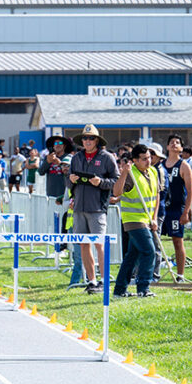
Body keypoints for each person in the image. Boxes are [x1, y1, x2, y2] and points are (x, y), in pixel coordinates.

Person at [68, 125, 119, 294]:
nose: (87, 141)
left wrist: (101, 183)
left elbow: (117, 182)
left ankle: (104, 281)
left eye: (91, 138)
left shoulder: (107, 158)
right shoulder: (76, 158)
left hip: (97, 207)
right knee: (83, 244)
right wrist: (72, 180)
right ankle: (91, 281)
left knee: (99, 244)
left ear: (97, 140)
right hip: (79, 207)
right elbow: (68, 182)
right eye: (85, 138)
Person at [112, 144, 159, 298]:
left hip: (147, 219)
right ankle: (143, 287)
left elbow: (156, 195)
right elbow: (116, 192)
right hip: (133, 220)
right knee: (149, 250)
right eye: (144, 159)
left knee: (132, 255)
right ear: (135, 161)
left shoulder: (152, 171)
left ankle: (120, 289)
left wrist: (154, 218)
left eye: (149, 158)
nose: (149, 161)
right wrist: (124, 173)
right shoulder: (131, 174)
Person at [161, 135, 192, 282]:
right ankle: (154, 273)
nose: (174, 144)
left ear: (181, 148)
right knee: (155, 241)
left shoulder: (183, 165)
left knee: (177, 241)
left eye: (178, 142)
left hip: (176, 209)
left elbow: (190, 191)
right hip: (161, 208)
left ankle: (180, 275)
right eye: (171, 142)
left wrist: (186, 211)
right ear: (167, 147)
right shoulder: (160, 165)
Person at [39, 135, 73, 204]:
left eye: (60, 143)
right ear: (53, 146)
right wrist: (48, 162)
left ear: (64, 146)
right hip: (51, 194)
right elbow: (40, 172)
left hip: (64, 194)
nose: (58, 145)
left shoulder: (69, 157)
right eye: (55, 143)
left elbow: (71, 173)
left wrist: (60, 164)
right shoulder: (48, 157)